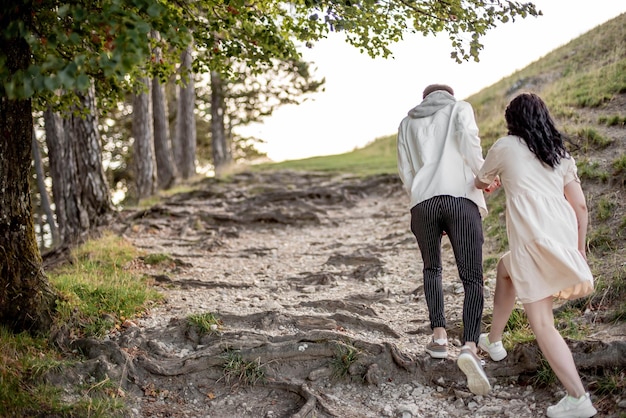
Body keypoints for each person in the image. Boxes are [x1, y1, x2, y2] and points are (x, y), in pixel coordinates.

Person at [475, 92, 596, 418]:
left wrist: (494, 181)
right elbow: (581, 206)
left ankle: (578, 398)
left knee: (542, 323)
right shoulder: (559, 155)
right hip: (562, 238)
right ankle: (494, 341)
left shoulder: (505, 146)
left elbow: (480, 180)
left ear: (512, 121)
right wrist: (580, 248)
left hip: (532, 240)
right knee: (504, 267)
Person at [397, 84, 496, 396]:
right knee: (472, 277)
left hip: (423, 203)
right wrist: (484, 176)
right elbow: (469, 143)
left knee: (432, 269)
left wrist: (421, 200)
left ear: (424, 98)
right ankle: (468, 345)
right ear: (449, 95)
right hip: (460, 199)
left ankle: (439, 337)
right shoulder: (459, 108)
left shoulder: (406, 122)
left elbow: (406, 170)